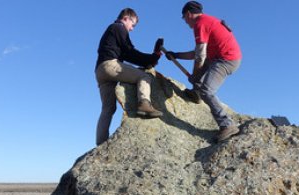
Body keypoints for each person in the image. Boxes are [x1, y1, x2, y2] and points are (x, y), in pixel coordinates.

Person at [166, 1, 242, 142]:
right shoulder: (208, 21)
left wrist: (195, 75)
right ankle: (196, 93)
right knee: (199, 80)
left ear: (188, 14)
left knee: (207, 90)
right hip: (217, 57)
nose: (186, 23)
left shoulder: (200, 24)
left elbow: (200, 56)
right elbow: (198, 53)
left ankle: (227, 124)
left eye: (184, 19)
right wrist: (176, 55)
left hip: (226, 60)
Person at [95, 8, 162, 146]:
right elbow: (130, 52)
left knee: (108, 109)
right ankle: (144, 103)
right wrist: (151, 59)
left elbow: (127, 54)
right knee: (144, 76)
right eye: (133, 24)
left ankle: (101, 143)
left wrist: (150, 59)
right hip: (110, 65)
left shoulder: (112, 31)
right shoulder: (118, 27)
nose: (132, 29)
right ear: (126, 18)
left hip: (100, 71)